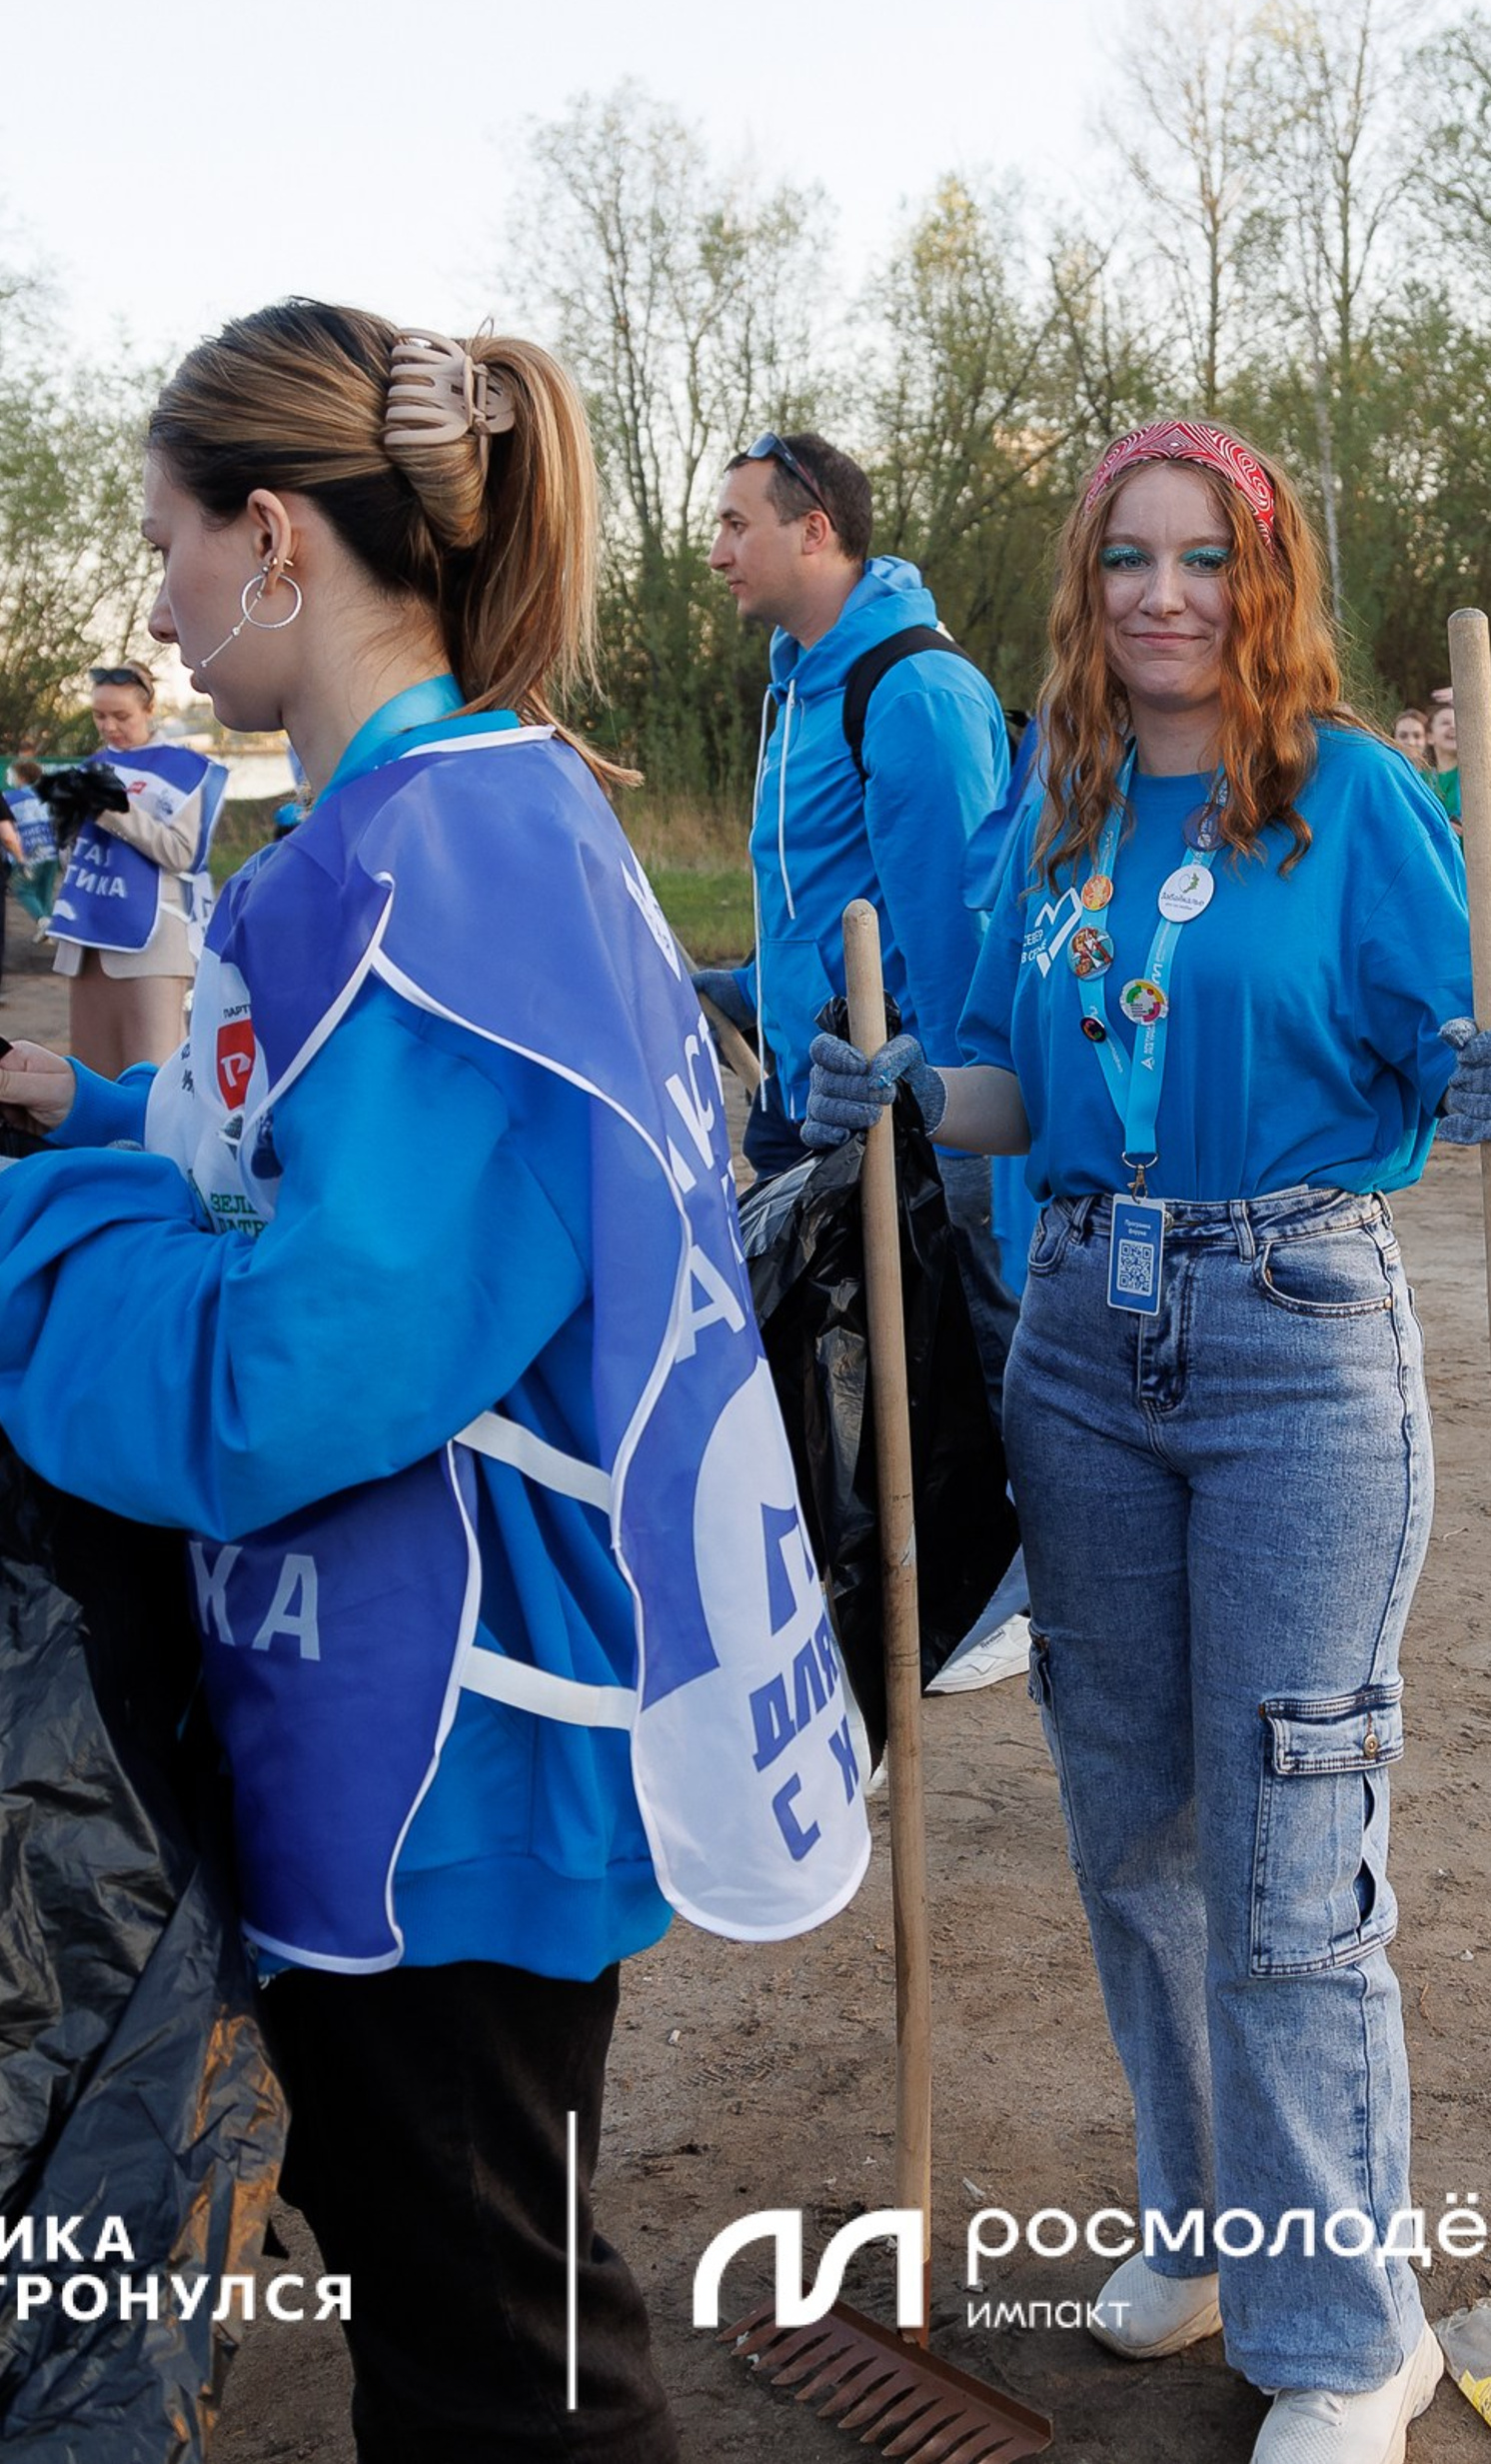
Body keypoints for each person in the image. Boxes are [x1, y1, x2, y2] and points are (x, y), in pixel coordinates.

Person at [0, 301, 867, 2463]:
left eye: (170, 544)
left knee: (510, 2371)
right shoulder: (432, 824)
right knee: (458, 2307)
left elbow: (299, 1361)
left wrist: (24, 1240)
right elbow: (309, 1179)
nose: (162, 606)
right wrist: (75, 1120)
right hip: (414, 1716)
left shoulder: (439, 868)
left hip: (448, 1762)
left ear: (277, 536)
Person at [800, 419, 1491, 2464]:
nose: (1160, 594)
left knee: (1281, 1846)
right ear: (1084, 582)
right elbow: (1007, 1093)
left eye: (1200, 557)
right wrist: (890, 1086)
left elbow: (1452, 1054)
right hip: (1073, 1334)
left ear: (1265, 575)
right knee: (1127, 1822)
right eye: (1124, 557)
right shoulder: (1049, 813)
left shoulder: (1355, 799)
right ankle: (1206, 2218)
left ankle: (1347, 2334)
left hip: (1296, 1340)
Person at [702, 426, 1018, 1399]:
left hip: (908, 1131)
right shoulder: (794, 686)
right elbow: (827, 901)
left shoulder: (911, 691)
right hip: (804, 1099)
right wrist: (747, 992)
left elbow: (959, 941)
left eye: (734, 524)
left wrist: (952, 1139)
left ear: (814, 531)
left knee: (962, 1412)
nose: (716, 552)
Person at [49, 662, 226, 1074]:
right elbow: (68, 856)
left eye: (121, 715)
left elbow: (183, 853)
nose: (108, 726)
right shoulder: (90, 766)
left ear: (149, 709)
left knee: (154, 1075)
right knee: (92, 1076)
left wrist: (112, 811)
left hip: (151, 942)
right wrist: (68, 827)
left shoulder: (184, 769)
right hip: (86, 936)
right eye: (99, 715)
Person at [5, 759, 56, 935]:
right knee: (45, 893)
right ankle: (50, 932)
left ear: (22, 777)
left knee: (22, 889)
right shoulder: (46, 796)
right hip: (51, 850)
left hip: (28, 851)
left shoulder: (9, 798)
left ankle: (43, 923)